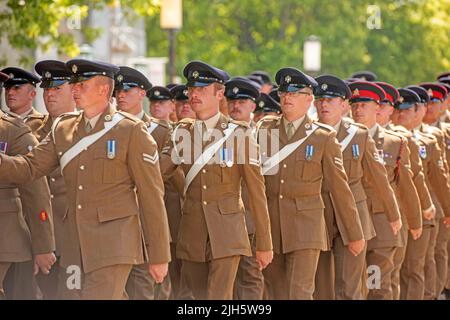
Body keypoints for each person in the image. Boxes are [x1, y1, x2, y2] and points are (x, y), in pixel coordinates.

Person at [0, 59, 171, 300]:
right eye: (74, 84)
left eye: (82, 84)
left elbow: (151, 195)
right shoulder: (63, 129)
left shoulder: (130, 130)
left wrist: (159, 255)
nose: (75, 89)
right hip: (74, 245)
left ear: (103, 89)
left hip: (113, 245)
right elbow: (29, 167)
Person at [159, 61, 273, 300]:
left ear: (219, 94)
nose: (194, 94)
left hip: (228, 234)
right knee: (197, 298)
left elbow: (256, 191)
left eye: (202, 89)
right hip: (192, 233)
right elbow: (157, 175)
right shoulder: (182, 133)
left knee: (218, 297)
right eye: (191, 89)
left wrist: (264, 243)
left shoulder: (239, 134)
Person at [258, 68, 364, 300]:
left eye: (294, 94)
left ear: (309, 100)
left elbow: (340, 188)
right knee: (276, 293)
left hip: (306, 229)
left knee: (300, 292)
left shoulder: (322, 137)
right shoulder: (264, 130)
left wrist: (355, 233)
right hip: (270, 228)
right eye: (284, 93)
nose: (287, 98)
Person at [313, 75, 396, 300]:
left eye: (330, 100)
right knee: (321, 288)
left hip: (354, 220)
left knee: (349, 287)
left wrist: (393, 214)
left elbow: (379, 178)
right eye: (320, 99)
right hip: (317, 216)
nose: (324, 104)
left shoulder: (357, 135)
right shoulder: (306, 135)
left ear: (342, 105)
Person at [349, 81, 408, 300]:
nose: (358, 110)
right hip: (351, 223)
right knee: (351, 286)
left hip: (381, 226)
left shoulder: (394, 142)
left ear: (377, 107)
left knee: (377, 286)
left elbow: (404, 185)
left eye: (364, 105)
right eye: (354, 105)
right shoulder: (340, 139)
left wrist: (414, 220)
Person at [0, 71, 56, 300]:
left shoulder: (11, 129)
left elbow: (35, 187)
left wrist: (43, 246)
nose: (10, 92)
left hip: (5, 238)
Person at [224, 76, 265, 300]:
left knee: (250, 278)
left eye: (242, 101)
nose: (235, 106)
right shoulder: (215, 135)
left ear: (253, 105)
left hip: (251, 221)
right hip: (224, 221)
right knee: (223, 282)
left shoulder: (265, 135)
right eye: (231, 100)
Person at [1, 67, 46, 134]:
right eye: (7, 88)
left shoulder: (44, 124)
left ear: (32, 94)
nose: (10, 92)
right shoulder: (1, 121)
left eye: (16, 88)